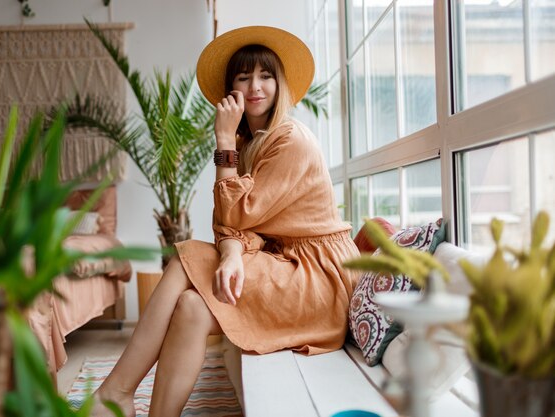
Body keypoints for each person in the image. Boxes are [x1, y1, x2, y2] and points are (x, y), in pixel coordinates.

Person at [91, 25, 361, 417]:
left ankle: (115, 392)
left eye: (266, 75)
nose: (256, 86)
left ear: (280, 83)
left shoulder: (290, 140)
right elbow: (228, 226)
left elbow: (234, 213)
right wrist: (233, 254)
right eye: (244, 76)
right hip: (284, 265)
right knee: (190, 307)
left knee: (185, 256)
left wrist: (223, 144)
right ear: (230, 87)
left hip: (318, 280)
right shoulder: (252, 141)